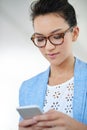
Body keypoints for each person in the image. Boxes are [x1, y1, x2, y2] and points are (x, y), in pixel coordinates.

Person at [18, 0, 87, 129]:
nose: (49, 47)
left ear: (75, 33)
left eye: (56, 36)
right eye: (40, 39)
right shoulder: (27, 88)